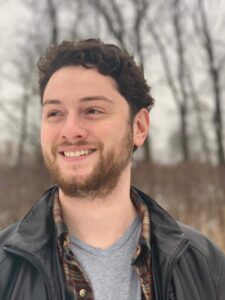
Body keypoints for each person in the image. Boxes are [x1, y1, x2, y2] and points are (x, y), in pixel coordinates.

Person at [0, 39, 224, 300]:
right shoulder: (5, 269)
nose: (70, 130)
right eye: (55, 113)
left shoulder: (207, 268)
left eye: (92, 110)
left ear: (139, 127)